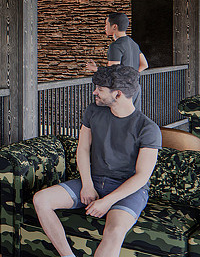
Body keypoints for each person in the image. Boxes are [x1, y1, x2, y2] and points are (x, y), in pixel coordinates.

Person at [32, 66, 161, 257]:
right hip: (94, 181)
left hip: (128, 190)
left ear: (117, 94)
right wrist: (87, 184)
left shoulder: (148, 128)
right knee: (41, 199)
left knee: (115, 231)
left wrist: (107, 202)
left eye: (100, 89)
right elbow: (82, 149)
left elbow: (142, 176)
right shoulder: (94, 110)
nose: (94, 92)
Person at [87, 12, 148, 108]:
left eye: (106, 24)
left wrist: (96, 69)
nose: (105, 27)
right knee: (133, 119)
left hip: (121, 91)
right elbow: (144, 64)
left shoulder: (116, 46)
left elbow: (113, 71)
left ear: (114, 26)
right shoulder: (134, 44)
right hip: (135, 87)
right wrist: (130, 75)